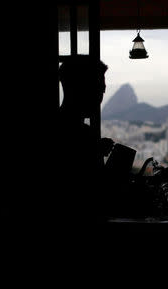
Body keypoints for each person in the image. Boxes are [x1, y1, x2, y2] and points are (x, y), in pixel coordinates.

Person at [55, 55, 114, 223]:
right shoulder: (84, 135)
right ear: (80, 88)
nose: (101, 96)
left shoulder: (83, 134)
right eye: (98, 89)